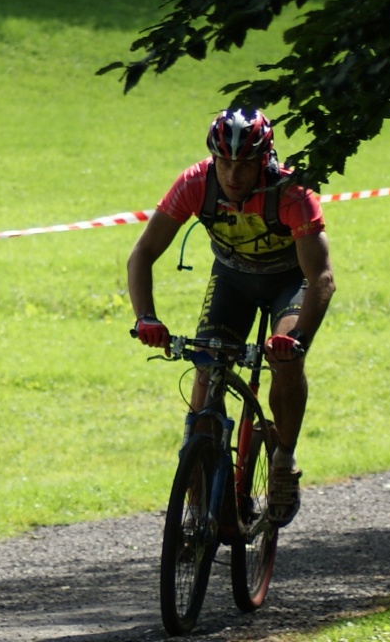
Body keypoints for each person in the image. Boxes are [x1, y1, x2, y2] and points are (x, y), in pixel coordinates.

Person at [127, 107, 336, 527]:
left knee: (285, 358)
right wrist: (146, 316)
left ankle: (283, 460)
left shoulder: (292, 193)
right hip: (233, 279)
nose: (233, 175)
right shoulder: (194, 184)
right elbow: (143, 254)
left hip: (288, 283)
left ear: (266, 159)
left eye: (245, 164)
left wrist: (296, 340)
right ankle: (197, 507)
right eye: (224, 162)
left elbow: (322, 279)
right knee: (206, 370)